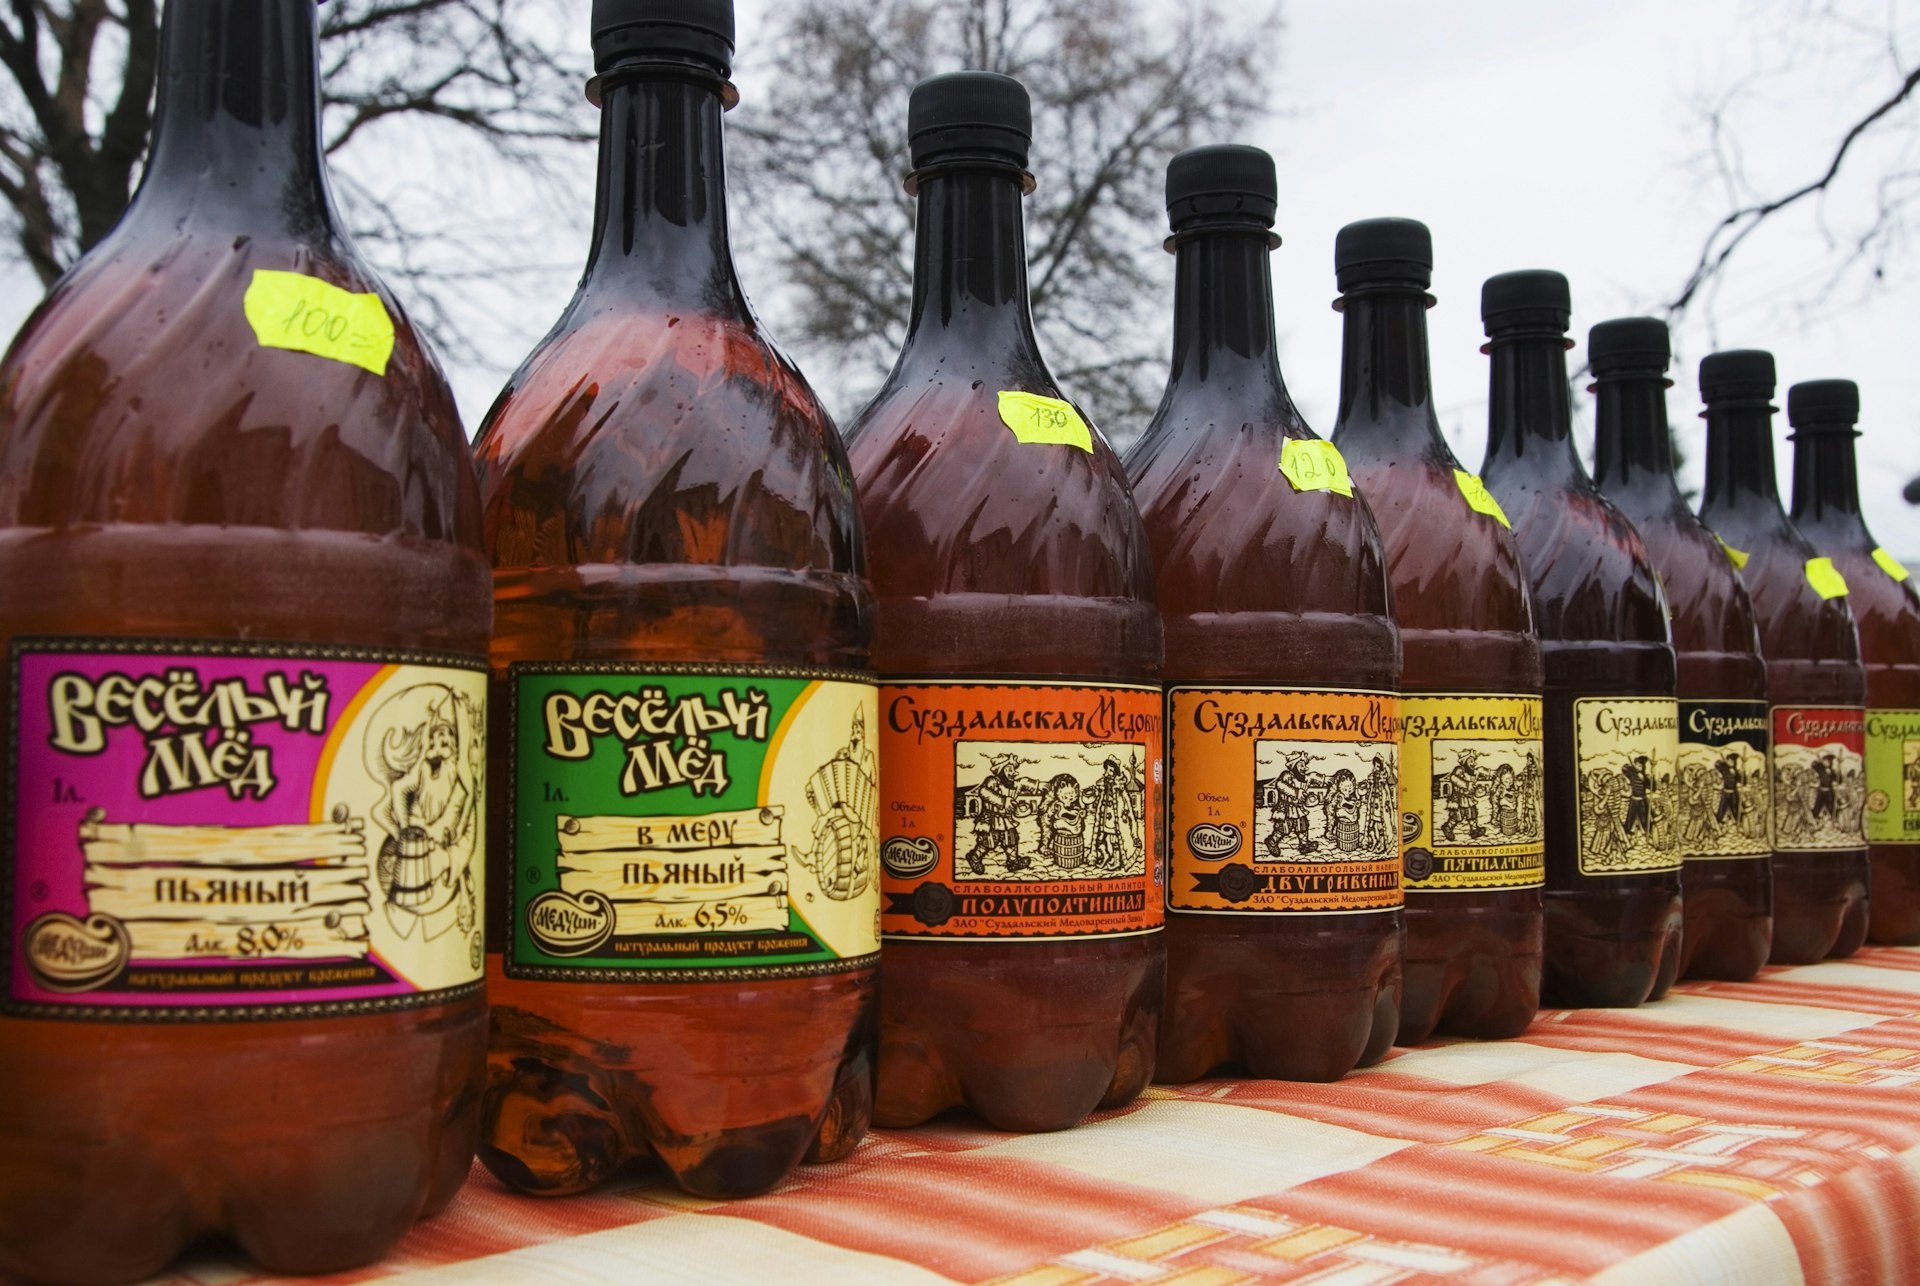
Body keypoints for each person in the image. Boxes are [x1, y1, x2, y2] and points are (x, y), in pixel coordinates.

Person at [966, 753, 1028, 875]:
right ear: (1000, 769)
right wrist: (1003, 801)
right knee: (988, 841)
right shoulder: (992, 781)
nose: (1013, 773)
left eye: (1014, 770)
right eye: (1009, 770)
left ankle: (1013, 861)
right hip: (991, 818)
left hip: (1005, 819)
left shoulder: (1010, 786)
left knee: (1011, 838)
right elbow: (984, 792)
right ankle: (974, 858)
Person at [1087, 756, 1143, 871]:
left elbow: (1126, 802)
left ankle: (1117, 861)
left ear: (1115, 773)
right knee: (1099, 838)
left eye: (1111, 770)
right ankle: (1105, 855)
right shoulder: (1103, 784)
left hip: (1114, 819)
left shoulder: (1119, 786)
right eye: (1107, 769)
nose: (1108, 772)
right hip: (1103, 817)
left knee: (1114, 840)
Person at [1266, 750, 1326, 855]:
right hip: (1286, 808)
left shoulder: (1303, 778)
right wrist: (1296, 793)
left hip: (1297, 808)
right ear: (1293, 765)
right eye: (1301, 765)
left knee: (1302, 825)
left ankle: (1304, 845)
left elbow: (1313, 776)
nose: (1304, 768)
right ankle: (1272, 842)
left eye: (1305, 765)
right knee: (1283, 827)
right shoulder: (1286, 775)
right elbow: (1281, 785)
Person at [1036, 773, 1087, 868]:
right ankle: (1044, 846)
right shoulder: (1052, 793)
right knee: (1047, 831)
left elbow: (1077, 807)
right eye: (1065, 798)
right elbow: (1046, 809)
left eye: (1071, 798)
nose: (1068, 802)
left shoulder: (1074, 793)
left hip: (1061, 818)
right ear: (1061, 787)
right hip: (1049, 815)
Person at [1324, 769, 1361, 851]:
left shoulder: (1352, 792)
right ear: (1339, 785)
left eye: (1350, 789)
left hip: (1343, 810)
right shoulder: (1336, 793)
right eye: (1345, 789)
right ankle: (1329, 832)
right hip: (1333, 808)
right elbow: (1331, 804)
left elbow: (1354, 800)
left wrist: (1356, 803)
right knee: (1331, 820)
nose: (1348, 791)